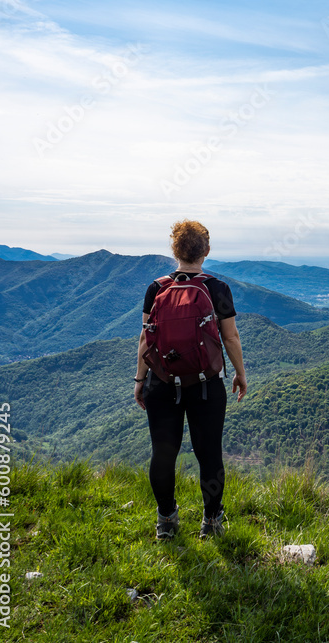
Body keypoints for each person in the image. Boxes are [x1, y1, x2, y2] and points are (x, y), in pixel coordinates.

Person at [133, 220, 247, 540]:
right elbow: (231, 337)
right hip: (206, 385)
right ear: (207, 251)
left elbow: (146, 338)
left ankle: (166, 521)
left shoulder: (156, 288)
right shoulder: (218, 289)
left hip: (162, 382)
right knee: (209, 453)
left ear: (174, 250)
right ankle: (211, 522)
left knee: (163, 453)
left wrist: (140, 379)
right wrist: (239, 373)